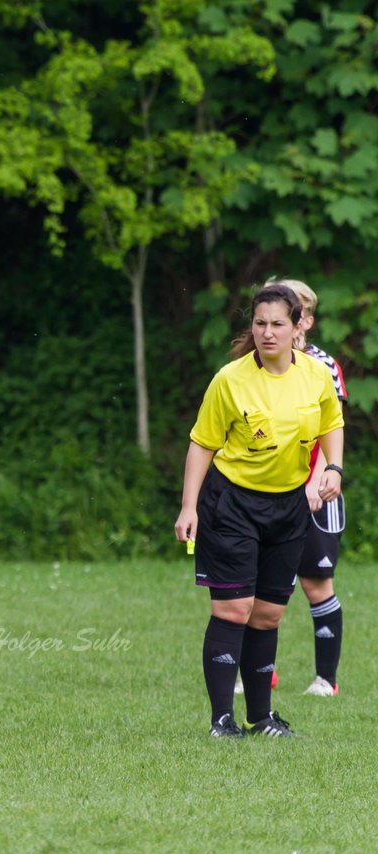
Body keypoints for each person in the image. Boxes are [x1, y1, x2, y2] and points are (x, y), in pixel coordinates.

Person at [174, 283, 344, 739]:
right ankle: (221, 720)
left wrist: (334, 469)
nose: (268, 333)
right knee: (234, 608)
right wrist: (189, 506)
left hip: (288, 506)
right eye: (260, 323)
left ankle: (261, 717)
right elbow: (201, 444)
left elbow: (332, 423)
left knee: (268, 615)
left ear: (297, 327)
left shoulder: (315, 375)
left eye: (277, 324)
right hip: (232, 503)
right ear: (253, 327)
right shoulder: (230, 379)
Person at [269, 278, 348, 697]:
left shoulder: (322, 366)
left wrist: (318, 480)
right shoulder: (255, 365)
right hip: (266, 492)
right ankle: (262, 671)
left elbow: (328, 430)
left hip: (316, 492)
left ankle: (326, 679)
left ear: (305, 320)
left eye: (291, 309)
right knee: (261, 584)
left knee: (315, 584)